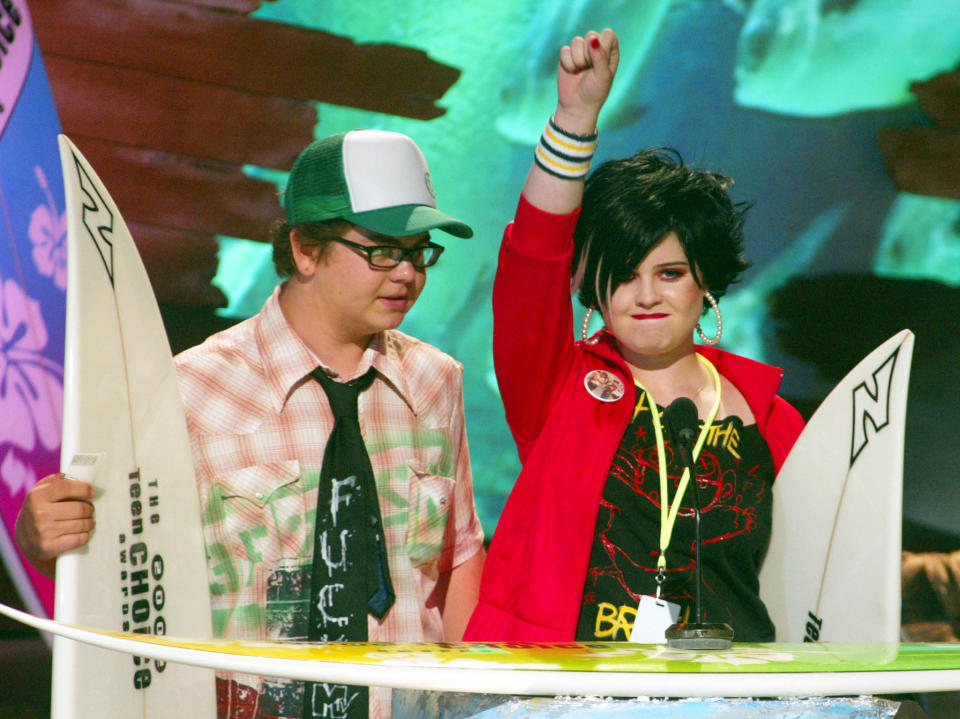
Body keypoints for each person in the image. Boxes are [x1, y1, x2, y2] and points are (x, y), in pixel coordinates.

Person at [17, 129, 486, 719]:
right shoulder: (189, 388)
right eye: (381, 251)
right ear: (306, 250)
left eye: (419, 251)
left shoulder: (436, 380)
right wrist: (45, 537)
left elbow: (459, 553)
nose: (406, 274)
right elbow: (116, 562)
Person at [463, 30, 804, 644]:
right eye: (623, 276)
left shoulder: (772, 420)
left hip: (733, 695)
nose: (646, 295)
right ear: (593, 289)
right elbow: (533, 259)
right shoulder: (558, 389)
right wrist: (574, 120)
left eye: (669, 273)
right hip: (563, 692)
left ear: (707, 281)